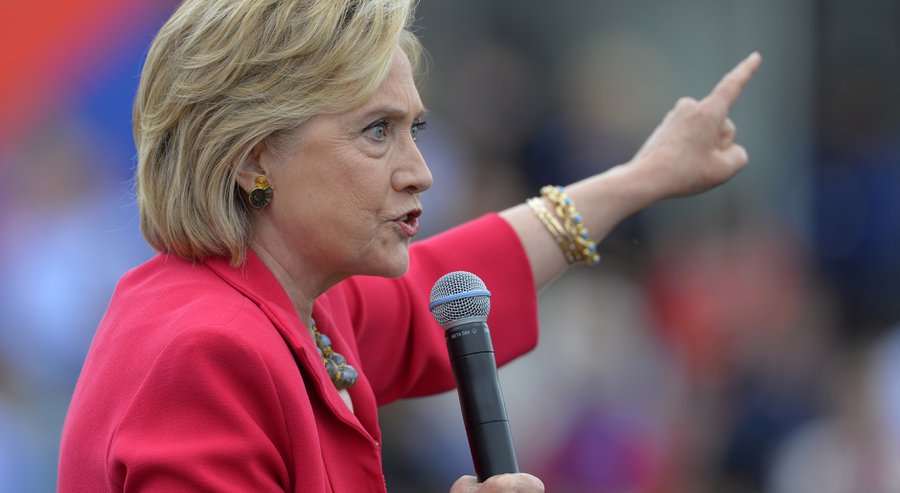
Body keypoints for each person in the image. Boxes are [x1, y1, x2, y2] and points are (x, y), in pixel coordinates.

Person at [57, 0, 761, 491]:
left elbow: (446, 279)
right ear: (252, 156)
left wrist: (639, 179)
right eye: (376, 132)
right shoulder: (206, 351)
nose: (419, 171)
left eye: (414, 129)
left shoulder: (294, 303)